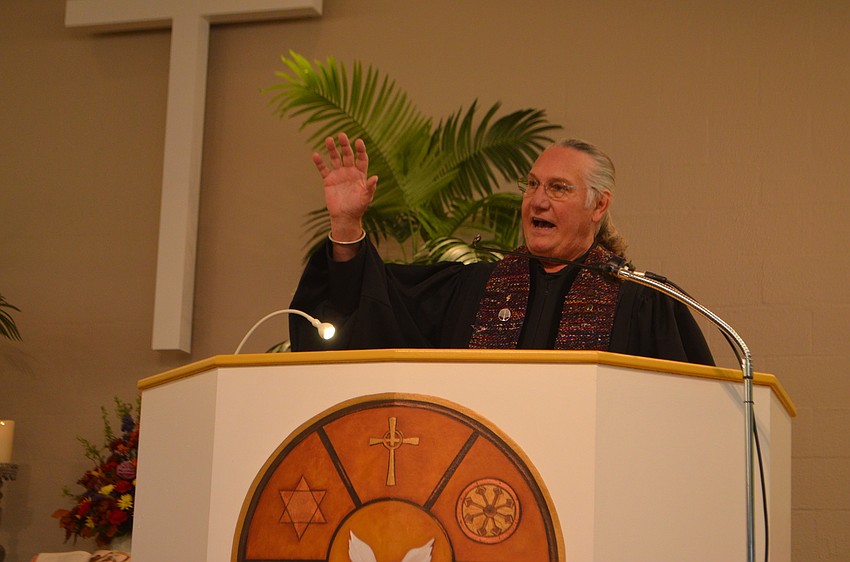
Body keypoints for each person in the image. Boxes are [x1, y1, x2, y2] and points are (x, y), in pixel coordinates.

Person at [289, 133, 714, 365]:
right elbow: (373, 307)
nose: (538, 200)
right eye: (532, 185)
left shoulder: (641, 303)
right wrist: (346, 225)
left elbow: (688, 417)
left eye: (559, 188)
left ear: (598, 205)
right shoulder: (473, 291)